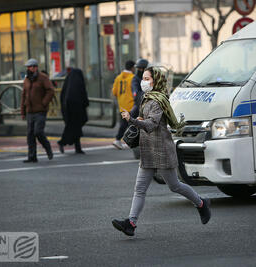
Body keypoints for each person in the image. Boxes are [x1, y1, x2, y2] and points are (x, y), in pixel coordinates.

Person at [112, 67, 211, 237]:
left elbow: (151, 125)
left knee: (175, 186)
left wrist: (132, 120)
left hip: (161, 150)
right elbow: (147, 122)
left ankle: (201, 203)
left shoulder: (158, 100)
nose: (144, 82)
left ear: (156, 80)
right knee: (140, 188)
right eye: (143, 78)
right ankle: (131, 223)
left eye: (148, 79)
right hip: (148, 150)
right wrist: (138, 120)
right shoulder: (147, 98)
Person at [20, 58, 55, 163]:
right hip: (30, 111)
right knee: (30, 135)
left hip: (40, 111)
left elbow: (50, 91)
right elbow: (24, 95)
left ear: (36, 67)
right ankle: (32, 156)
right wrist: (23, 110)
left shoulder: (43, 78)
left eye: (32, 66)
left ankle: (47, 148)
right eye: (29, 67)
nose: (30, 68)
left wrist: (44, 103)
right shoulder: (26, 79)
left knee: (38, 132)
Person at [57, 68, 89, 154]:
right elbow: (83, 95)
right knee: (74, 128)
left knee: (75, 128)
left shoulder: (68, 83)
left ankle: (77, 148)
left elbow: (62, 96)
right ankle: (62, 142)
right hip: (77, 110)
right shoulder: (79, 83)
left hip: (68, 110)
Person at [112, 60, 135, 150]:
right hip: (131, 105)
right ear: (132, 68)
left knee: (125, 123)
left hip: (122, 105)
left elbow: (114, 92)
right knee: (132, 124)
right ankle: (119, 140)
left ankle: (119, 140)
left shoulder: (118, 78)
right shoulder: (133, 78)